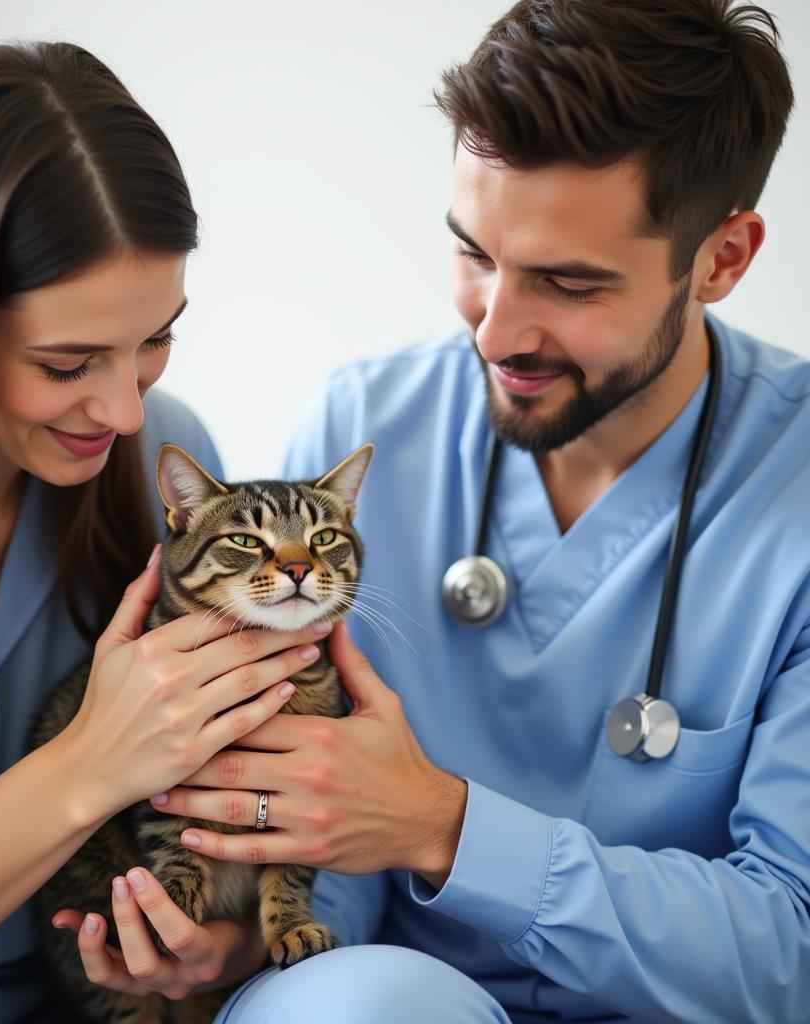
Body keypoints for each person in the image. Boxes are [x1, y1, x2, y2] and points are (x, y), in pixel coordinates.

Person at [81, 2, 808, 1021]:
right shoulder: (367, 420)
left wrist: (446, 829)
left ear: (722, 258)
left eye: (566, 282)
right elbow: (287, 825)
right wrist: (225, 938)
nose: (495, 331)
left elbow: (790, 947)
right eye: (473, 252)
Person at [0, 41, 329, 1022]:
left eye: (156, 337)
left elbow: (252, 804)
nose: (124, 410)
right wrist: (91, 762)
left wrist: (213, 947)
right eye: (68, 359)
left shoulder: (169, 456)